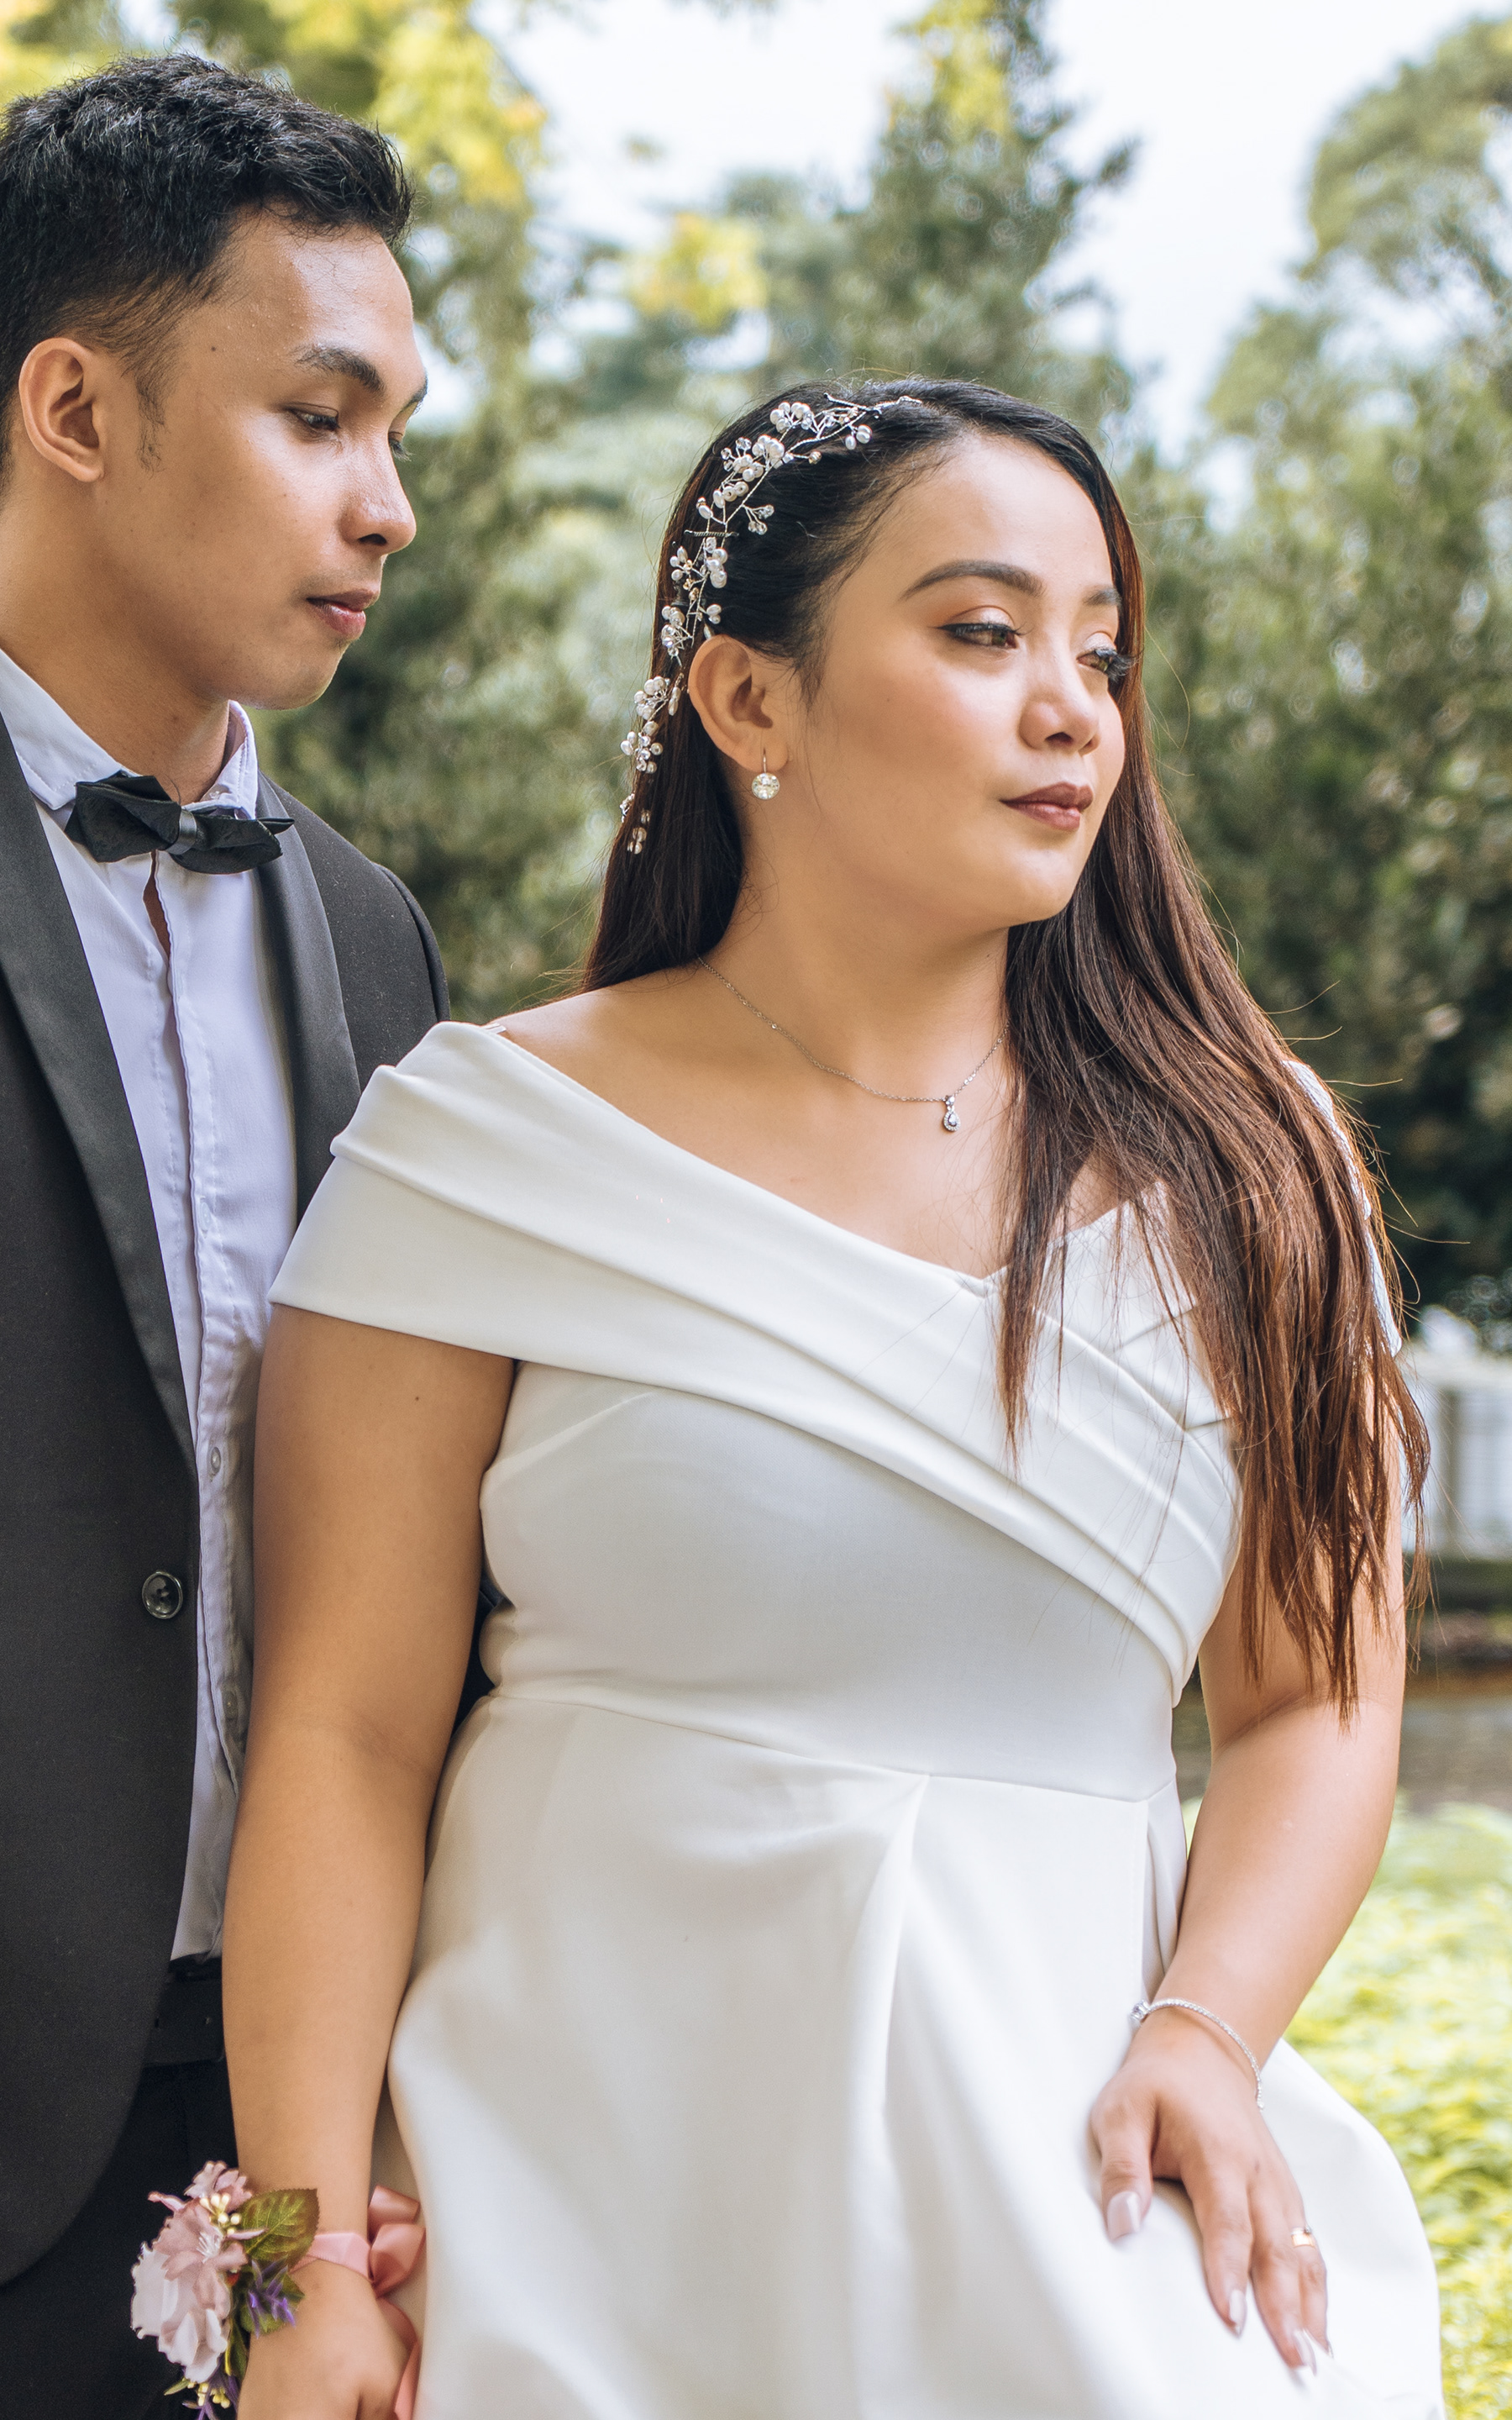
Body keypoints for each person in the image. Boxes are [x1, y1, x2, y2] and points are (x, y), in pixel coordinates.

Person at [228, 380, 1444, 2419]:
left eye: (1102, 654)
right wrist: (307, 2267)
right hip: (577, 2209)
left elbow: (1315, 1699)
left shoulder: (1261, 1165)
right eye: (981, 632)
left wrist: (1209, 2031)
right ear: (748, 699)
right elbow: (343, 1740)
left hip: (1083, 2190)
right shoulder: (479, 1145)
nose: (1070, 710)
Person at [0, 54, 448, 2417]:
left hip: (307, 2150)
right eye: (319, 417)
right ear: (75, 411)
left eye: (396, 431)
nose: (387, 502)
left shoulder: (376, 940)